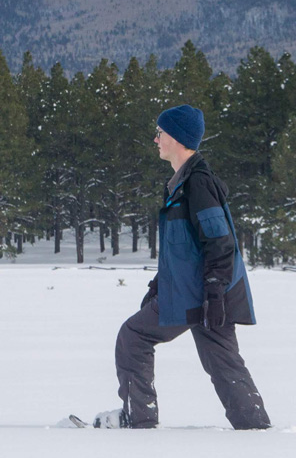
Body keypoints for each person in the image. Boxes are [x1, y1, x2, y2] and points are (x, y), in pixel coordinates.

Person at [94, 104, 270, 430]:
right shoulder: (181, 184)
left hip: (203, 292)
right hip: (205, 291)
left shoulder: (197, 185)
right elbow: (187, 247)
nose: (155, 139)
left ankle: (139, 418)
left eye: (160, 133)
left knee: (133, 337)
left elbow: (219, 242)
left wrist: (214, 293)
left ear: (176, 137)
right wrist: (161, 283)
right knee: (224, 363)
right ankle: (255, 428)